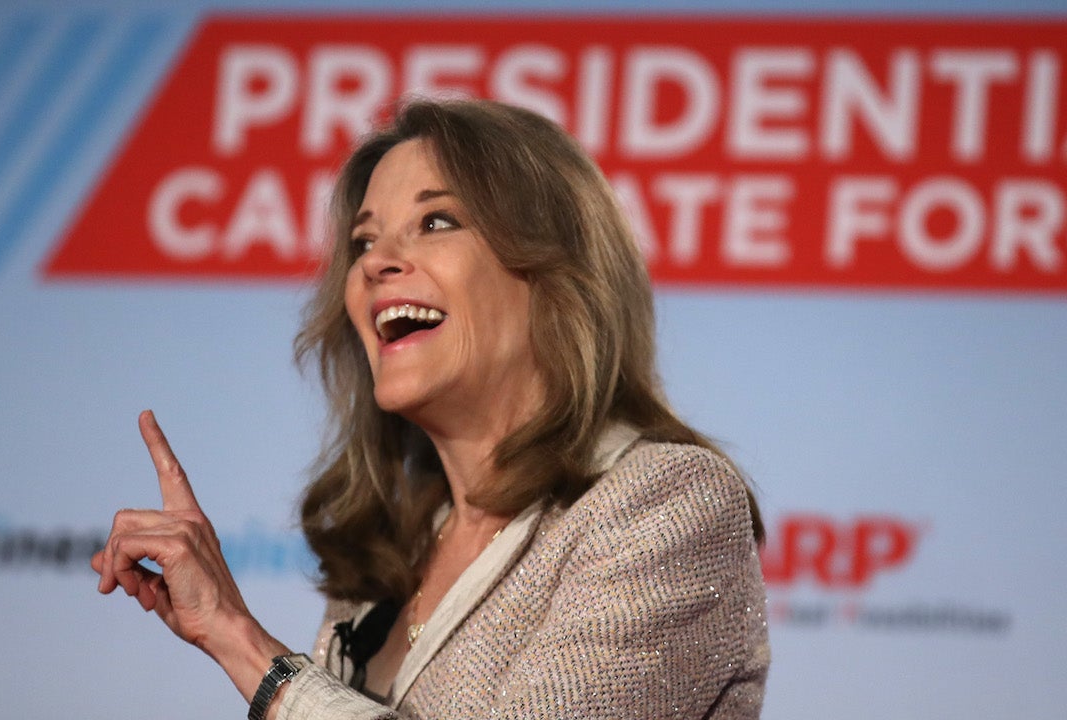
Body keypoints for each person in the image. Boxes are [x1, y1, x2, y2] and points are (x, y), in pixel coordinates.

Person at [94, 98, 770, 720]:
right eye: (364, 241)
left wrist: (243, 645)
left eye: (435, 221)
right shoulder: (390, 559)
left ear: (554, 275)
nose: (376, 262)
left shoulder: (666, 502)